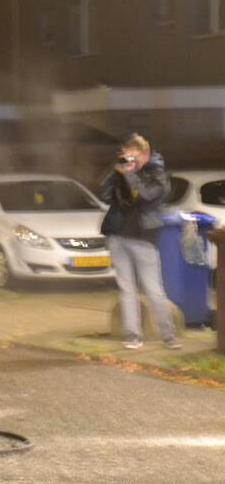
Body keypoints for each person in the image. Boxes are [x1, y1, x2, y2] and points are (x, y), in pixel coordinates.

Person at [97, 133, 181, 350]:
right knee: (127, 289)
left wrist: (131, 174)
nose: (129, 161)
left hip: (143, 239)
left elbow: (145, 197)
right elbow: (104, 194)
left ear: (144, 155)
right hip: (117, 236)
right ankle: (133, 335)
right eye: (126, 156)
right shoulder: (125, 169)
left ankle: (168, 335)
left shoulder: (158, 174)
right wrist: (116, 172)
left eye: (133, 157)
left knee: (153, 289)